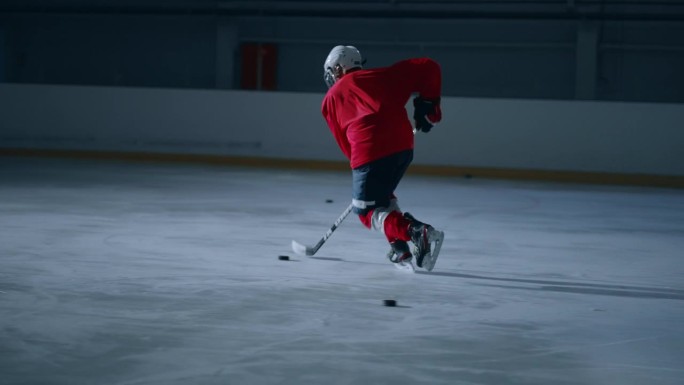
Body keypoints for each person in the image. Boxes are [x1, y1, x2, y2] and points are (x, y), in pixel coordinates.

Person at [321, 45, 445, 269]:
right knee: (382, 197)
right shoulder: (385, 76)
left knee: (368, 211)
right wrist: (429, 105)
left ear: (339, 69)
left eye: (331, 72)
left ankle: (417, 232)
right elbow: (430, 67)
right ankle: (400, 250)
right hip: (404, 146)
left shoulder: (331, 99)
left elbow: (345, 144)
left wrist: (360, 173)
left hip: (369, 151)